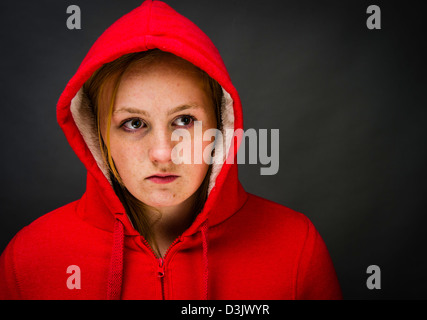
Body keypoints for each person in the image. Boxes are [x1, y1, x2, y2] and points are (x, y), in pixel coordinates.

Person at [0, 0, 342, 299]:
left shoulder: (295, 247)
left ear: (220, 127)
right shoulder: (29, 259)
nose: (163, 154)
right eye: (133, 123)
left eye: (184, 121)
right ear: (97, 136)